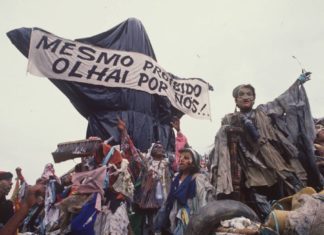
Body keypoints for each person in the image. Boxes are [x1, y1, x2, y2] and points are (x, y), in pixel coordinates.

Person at [209, 71, 321, 220]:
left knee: (290, 187)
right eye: (241, 94)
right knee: (258, 194)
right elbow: (223, 141)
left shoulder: (263, 111)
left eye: (249, 94)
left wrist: (297, 83)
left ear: (254, 98)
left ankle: (297, 216)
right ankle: (270, 221)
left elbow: (282, 101)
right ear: (236, 100)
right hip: (250, 165)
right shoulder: (230, 118)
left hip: (275, 161)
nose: (246, 97)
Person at [159, 147, 215, 234]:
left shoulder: (198, 179)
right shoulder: (176, 178)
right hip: (175, 216)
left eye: (186, 158)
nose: (181, 160)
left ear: (194, 163)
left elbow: (203, 202)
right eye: (180, 157)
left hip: (190, 219)